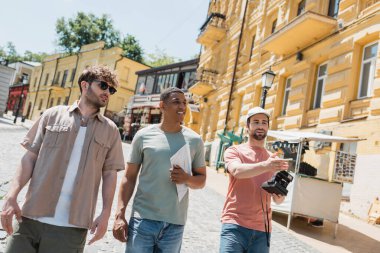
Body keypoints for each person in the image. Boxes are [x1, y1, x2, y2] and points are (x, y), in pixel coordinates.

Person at [0, 65, 125, 253]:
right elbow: (29, 159)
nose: (108, 92)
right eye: (103, 86)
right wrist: (12, 196)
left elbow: (109, 175)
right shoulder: (52, 115)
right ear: (85, 85)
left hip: (71, 228)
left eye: (112, 89)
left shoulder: (111, 131)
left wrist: (105, 214)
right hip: (29, 218)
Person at [113, 87, 206, 253]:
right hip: (143, 220)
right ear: (162, 105)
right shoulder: (143, 136)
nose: (182, 106)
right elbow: (129, 177)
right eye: (176, 102)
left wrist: (186, 178)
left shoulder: (195, 140)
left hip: (175, 224)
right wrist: (120, 214)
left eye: (184, 103)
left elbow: (201, 181)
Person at [219, 107, 289, 253]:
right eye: (256, 122)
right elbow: (237, 171)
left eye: (264, 122)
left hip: (262, 230)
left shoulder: (273, 159)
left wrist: (279, 194)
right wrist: (266, 165)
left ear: (268, 127)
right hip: (235, 224)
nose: (260, 125)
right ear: (247, 126)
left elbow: (278, 201)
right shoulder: (234, 151)